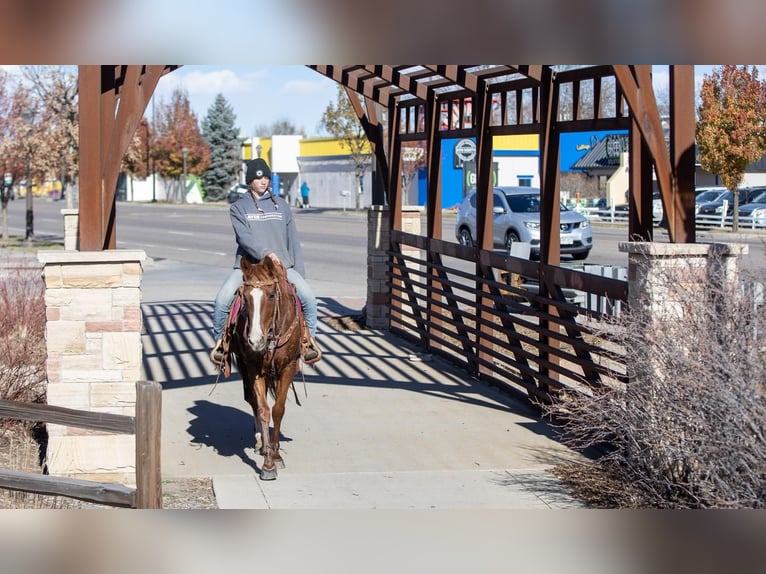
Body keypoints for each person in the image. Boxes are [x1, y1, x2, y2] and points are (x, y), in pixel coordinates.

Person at [209, 158, 321, 366]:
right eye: (258, 178)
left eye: (267, 177)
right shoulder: (238, 208)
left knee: (310, 299)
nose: (263, 181)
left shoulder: (282, 206)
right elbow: (244, 238)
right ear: (250, 180)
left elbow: (292, 240)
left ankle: (307, 343)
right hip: (249, 267)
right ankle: (221, 345)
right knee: (222, 300)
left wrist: (299, 271)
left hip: (282, 267)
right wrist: (266, 253)